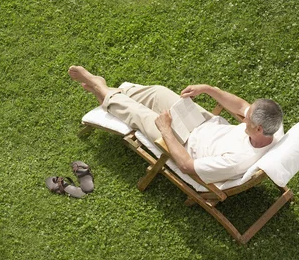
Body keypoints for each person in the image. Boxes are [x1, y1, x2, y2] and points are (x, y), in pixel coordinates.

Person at [68, 66, 284, 185]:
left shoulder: (237, 161)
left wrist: (165, 130)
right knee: (158, 93)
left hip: (184, 143)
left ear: (259, 130)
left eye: (248, 120)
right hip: (203, 122)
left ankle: (100, 86)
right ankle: (107, 94)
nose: (243, 117)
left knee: (138, 113)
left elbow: (187, 166)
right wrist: (209, 89)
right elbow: (240, 106)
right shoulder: (272, 128)